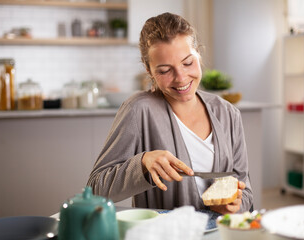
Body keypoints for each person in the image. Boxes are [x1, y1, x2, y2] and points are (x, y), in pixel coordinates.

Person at [87, 12, 253, 214]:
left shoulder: (228, 113)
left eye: (188, 63)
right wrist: (142, 164)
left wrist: (234, 205)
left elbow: (245, 189)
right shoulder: (138, 110)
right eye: (165, 70)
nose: (181, 78)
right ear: (149, 71)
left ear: (198, 54)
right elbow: (95, 189)